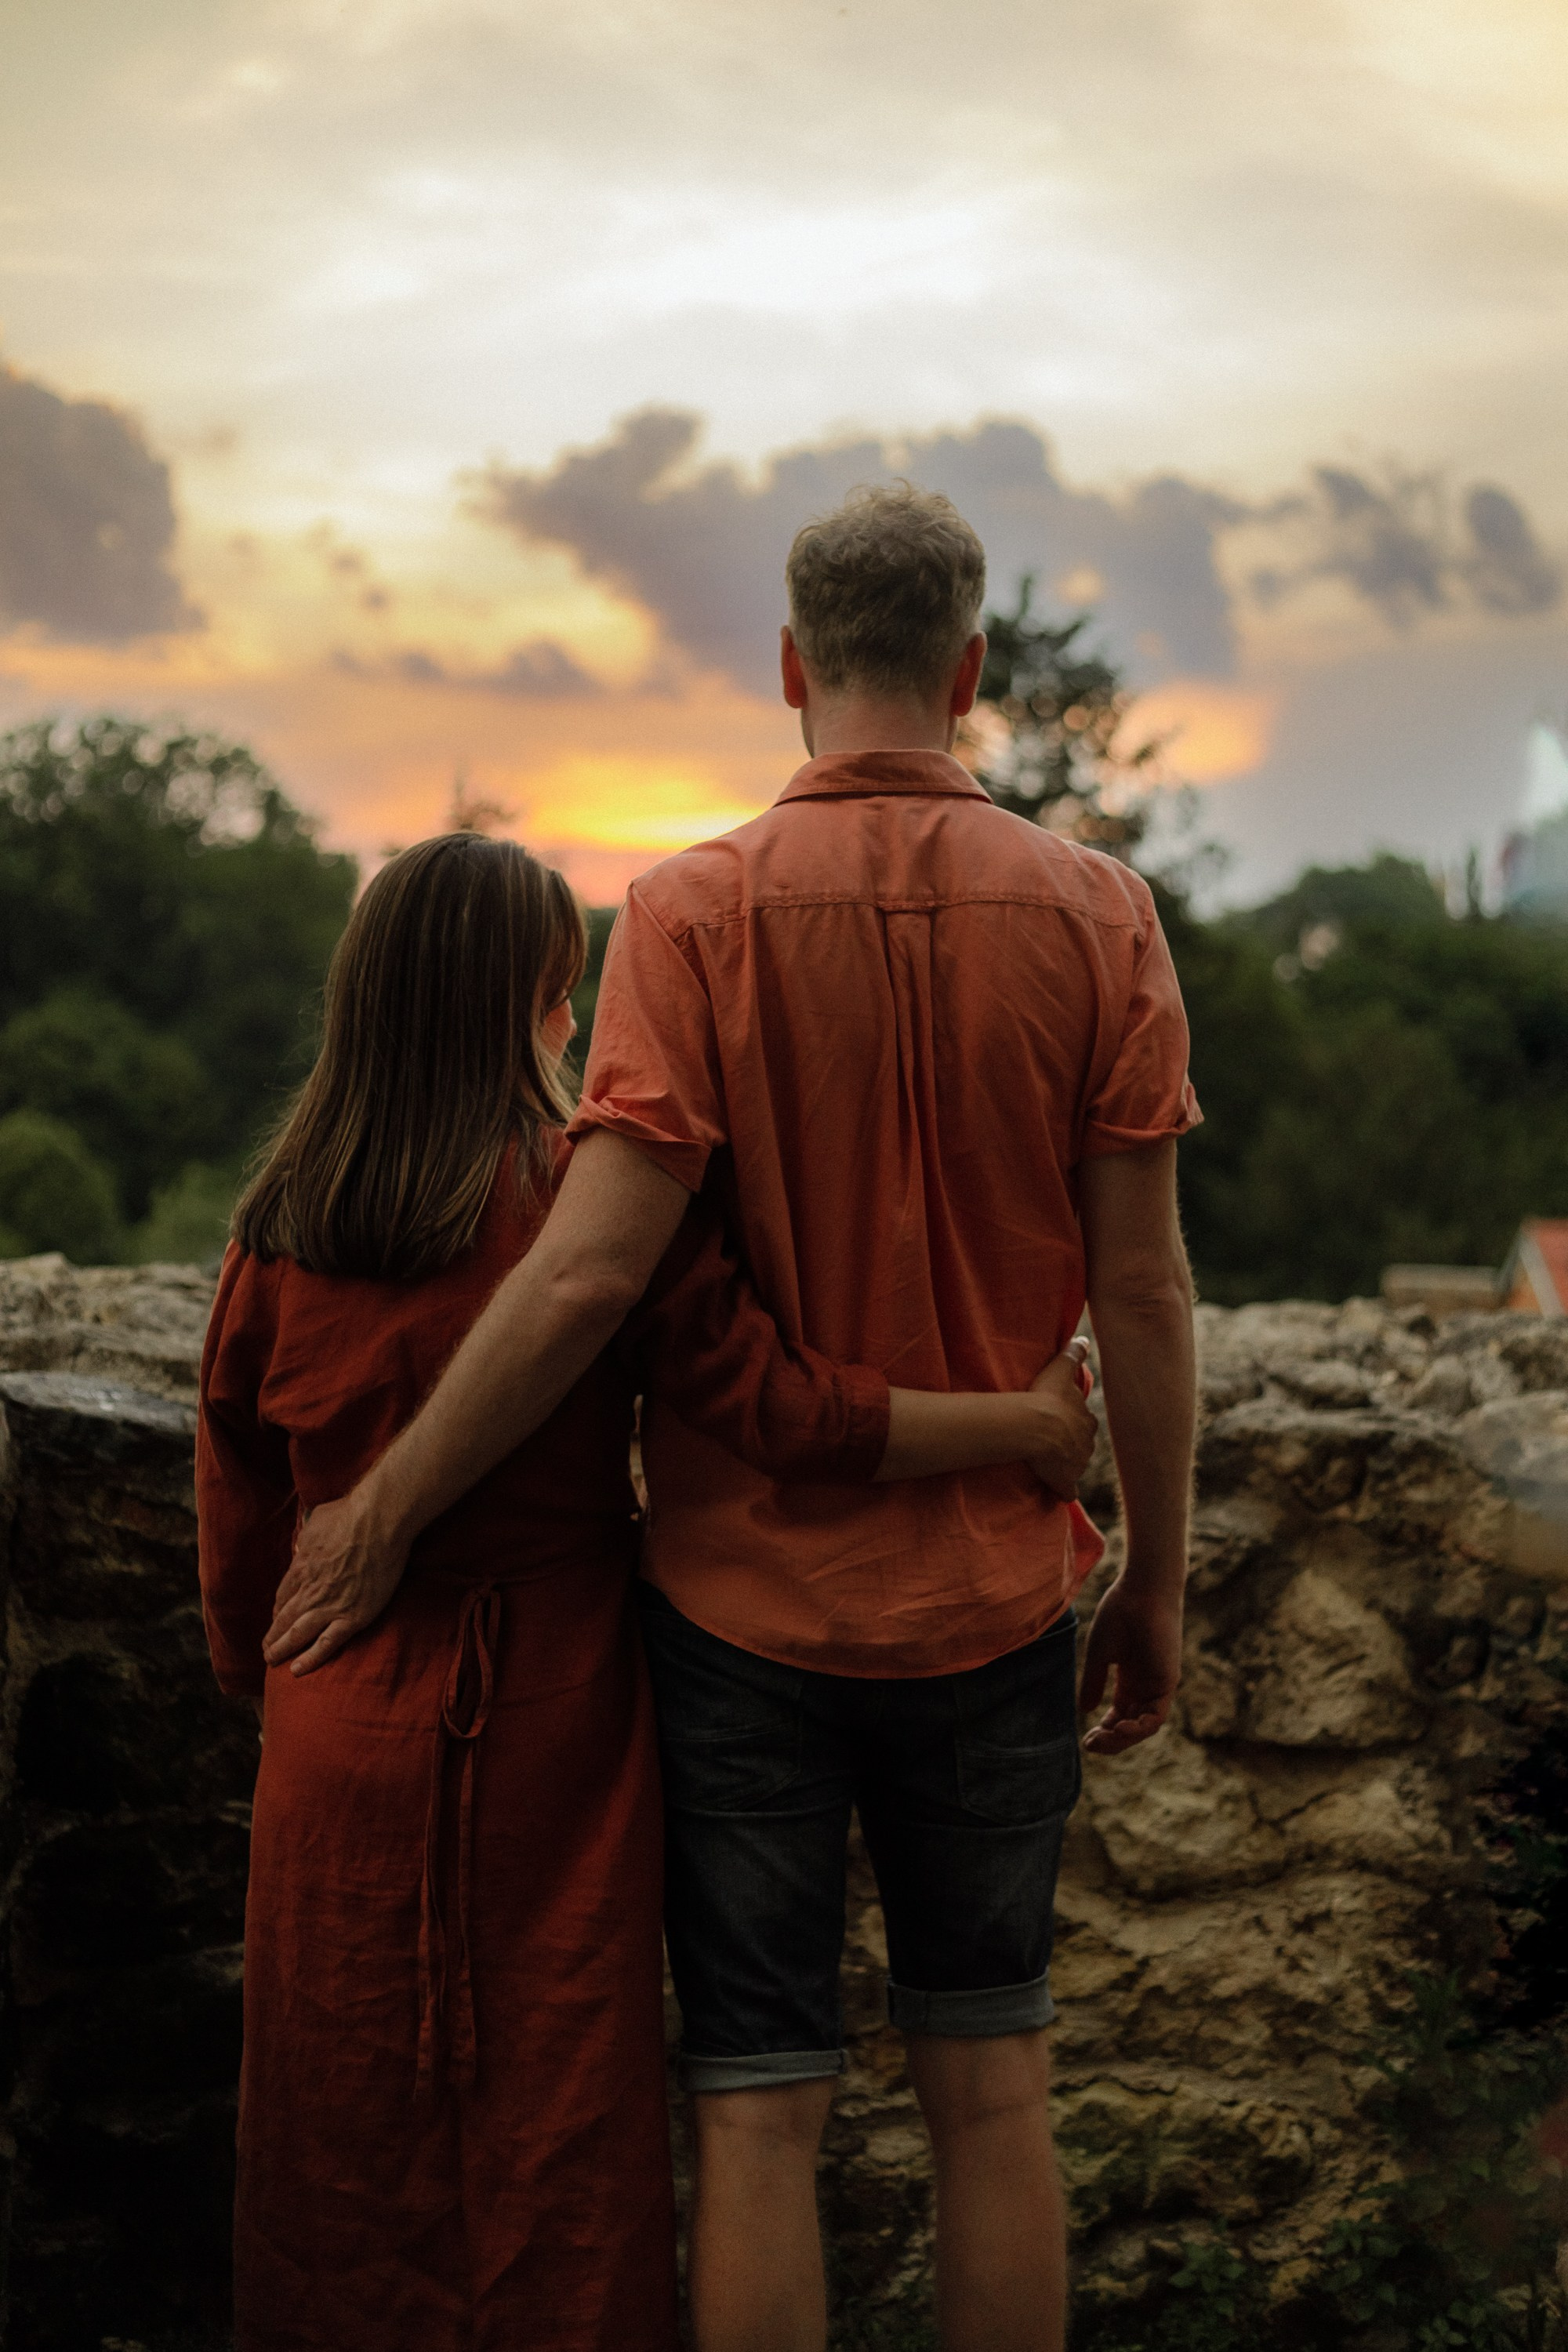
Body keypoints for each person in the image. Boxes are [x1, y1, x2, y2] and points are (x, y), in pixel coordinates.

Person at [266, 485, 1200, 2352]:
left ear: (789, 667)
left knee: (759, 2111)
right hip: (1002, 1602)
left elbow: (592, 1274)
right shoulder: (1101, 914)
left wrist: (380, 1510)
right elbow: (1147, 1293)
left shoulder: (686, 916)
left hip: (738, 1614)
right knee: (992, 2095)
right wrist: (1156, 1584)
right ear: (970, 669)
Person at [198, 828, 1098, 2352]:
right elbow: (782, 1409)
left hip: (339, 1713)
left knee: (336, 2133)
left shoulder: (276, 1229)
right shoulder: (584, 1205)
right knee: (561, 2124)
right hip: (559, 1708)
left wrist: (279, 1680)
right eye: (563, 995)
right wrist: (1024, 1425)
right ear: (531, 1003)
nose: (574, 1025)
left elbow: (238, 1534)